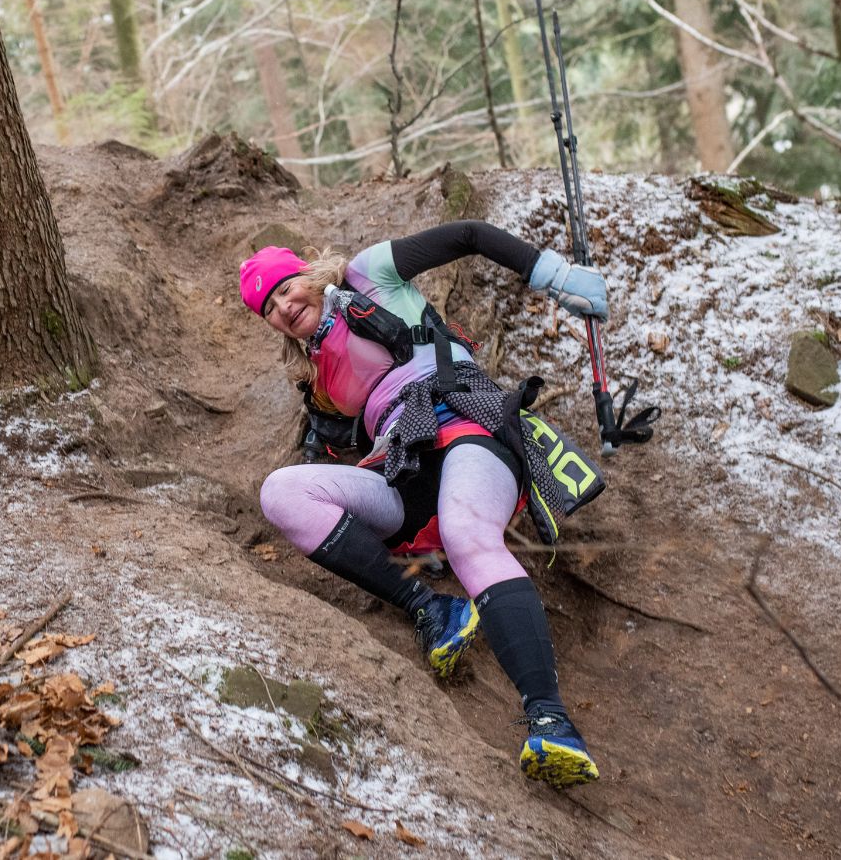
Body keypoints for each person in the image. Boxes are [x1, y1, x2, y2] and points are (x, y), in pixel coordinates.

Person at [241, 220, 608, 788]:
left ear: (307, 273)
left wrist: (553, 275)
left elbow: (467, 235)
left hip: (464, 421)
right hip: (402, 469)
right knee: (281, 491)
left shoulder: (370, 273)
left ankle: (549, 719)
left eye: (286, 287)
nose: (284, 305)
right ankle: (430, 609)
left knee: (468, 537)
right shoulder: (316, 376)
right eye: (269, 306)